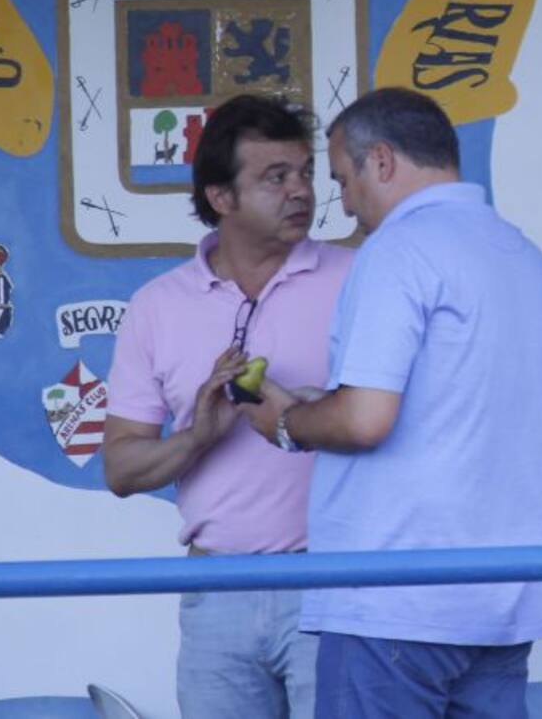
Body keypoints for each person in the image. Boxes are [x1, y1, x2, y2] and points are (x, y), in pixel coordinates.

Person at [242, 86, 542, 719]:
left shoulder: (399, 249)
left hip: (394, 599)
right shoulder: (523, 255)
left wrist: (285, 421)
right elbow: (451, 407)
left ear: (382, 161)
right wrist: (326, 403)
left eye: (343, 180)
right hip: (501, 599)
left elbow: (365, 419)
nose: (343, 203)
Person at [103, 94, 354, 719]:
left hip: (336, 582)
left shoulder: (360, 278)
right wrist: (197, 436)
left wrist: (313, 411)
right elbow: (121, 469)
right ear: (221, 197)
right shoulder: (156, 305)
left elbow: (399, 418)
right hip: (214, 590)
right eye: (275, 177)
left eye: (305, 172)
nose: (301, 191)